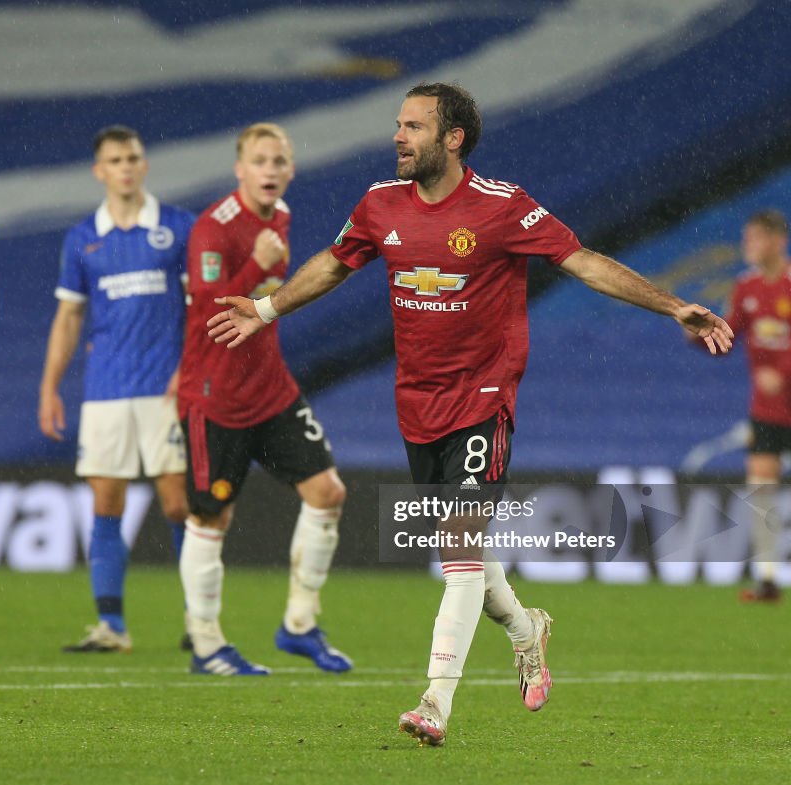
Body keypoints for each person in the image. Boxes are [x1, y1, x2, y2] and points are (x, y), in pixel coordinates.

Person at [207, 83, 733, 743]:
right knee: (468, 555)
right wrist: (263, 309)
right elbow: (334, 266)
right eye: (398, 124)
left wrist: (672, 306)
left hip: (483, 399)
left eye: (414, 126)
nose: (399, 136)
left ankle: (434, 703)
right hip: (416, 403)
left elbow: (584, 263)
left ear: (452, 138)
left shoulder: (502, 207)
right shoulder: (379, 204)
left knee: (458, 549)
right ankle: (525, 626)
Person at [177, 122, 352, 676]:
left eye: (280, 161)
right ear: (240, 168)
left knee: (327, 492)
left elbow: (266, 305)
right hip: (217, 398)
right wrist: (255, 263)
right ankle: (206, 644)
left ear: (291, 169)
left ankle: (300, 625)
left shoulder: (280, 218)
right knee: (212, 517)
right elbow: (208, 312)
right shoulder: (214, 227)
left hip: (271, 389)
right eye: (260, 160)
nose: (271, 170)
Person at [38, 126, 193, 651]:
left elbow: (202, 306)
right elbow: (68, 317)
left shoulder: (177, 229)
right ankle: (112, 627)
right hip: (105, 388)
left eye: (133, 157)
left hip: (165, 387)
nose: (125, 167)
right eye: (115, 160)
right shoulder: (83, 238)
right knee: (106, 501)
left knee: (177, 503)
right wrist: (50, 388)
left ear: (144, 164)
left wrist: (191, 367)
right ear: (99, 171)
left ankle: (201, 620)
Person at [723, 210, 791, 602]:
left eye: (755, 238)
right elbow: (729, 336)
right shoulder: (746, 287)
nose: (747, 245)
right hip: (768, 409)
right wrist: (701, 331)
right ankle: (768, 580)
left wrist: (782, 370)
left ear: (778, 240)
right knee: (762, 486)